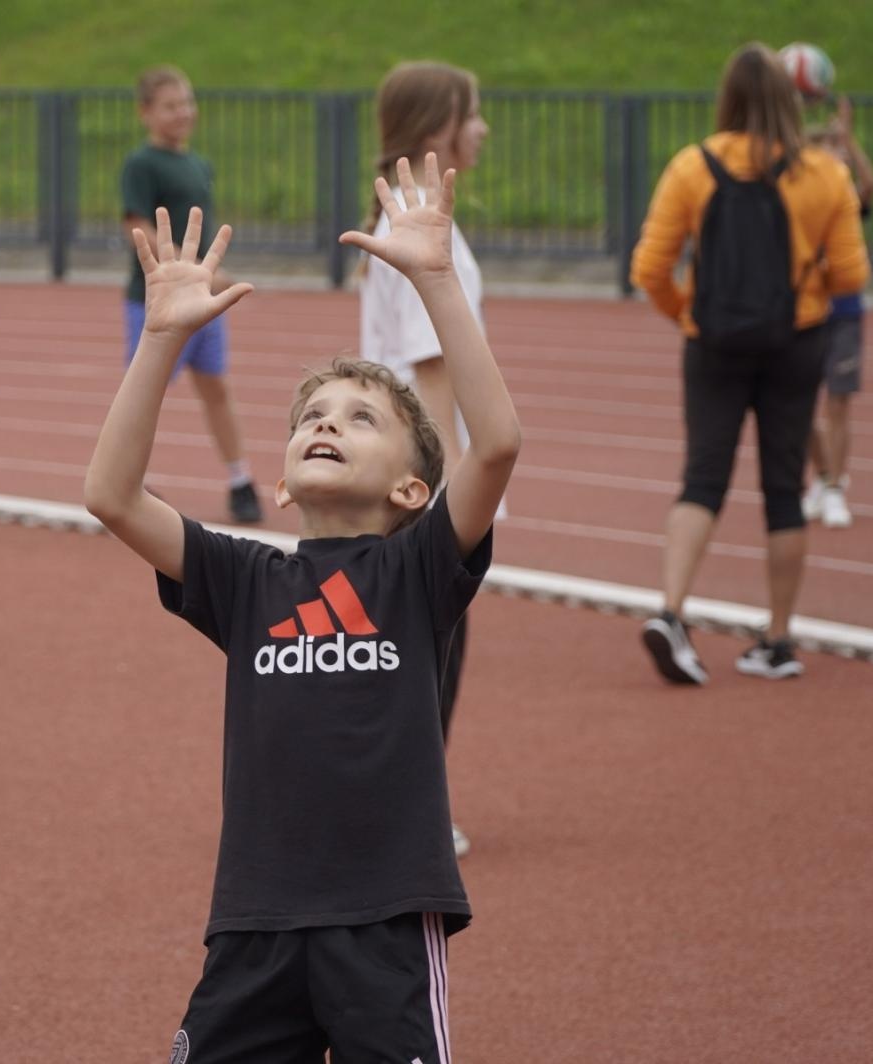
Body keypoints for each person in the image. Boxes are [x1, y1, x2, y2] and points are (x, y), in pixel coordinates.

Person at [85, 153, 518, 1061]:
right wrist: (160, 339)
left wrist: (436, 280)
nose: (327, 423)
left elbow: (496, 446)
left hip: (386, 925)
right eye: (313, 416)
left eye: (362, 418)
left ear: (411, 488)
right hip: (253, 925)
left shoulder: (418, 572)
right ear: (280, 483)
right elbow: (113, 496)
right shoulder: (246, 582)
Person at [631, 43, 867, 684]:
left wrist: (690, 310)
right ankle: (779, 638)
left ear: (726, 96)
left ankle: (673, 614)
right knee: (785, 490)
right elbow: (852, 273)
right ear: (793, 100)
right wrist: (802, 286)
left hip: (713, 342)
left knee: (703, 477)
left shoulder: (693, 168)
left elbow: (648, 269)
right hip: (796, 340)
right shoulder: (824, 174)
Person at [359, 59, 491, 859]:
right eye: (472, 115)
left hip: (412, 471)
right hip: (422, 478)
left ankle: (403, 807)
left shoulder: (413, 214)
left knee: (426, 647)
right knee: (425, 650)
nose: (482, 130)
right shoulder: (412, 217)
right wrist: (442, 501)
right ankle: (406, 817)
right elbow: (431, 365)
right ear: (439, 125)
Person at [121, 65, 261, 524]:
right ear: (146, 113)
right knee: (145, 391)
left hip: (203, 303)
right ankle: (125, 477)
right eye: (170, 105)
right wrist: (175, 271)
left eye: (187, 102)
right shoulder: (142, 164)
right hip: (156, 303)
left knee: (216, 387)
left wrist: (205, 276)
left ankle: (240, 480)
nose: (183, 112)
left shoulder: (200, 164)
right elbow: (136, 223)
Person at [800, 96, 873, 529]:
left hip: (844, 311)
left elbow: (871, 186)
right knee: (802, 406)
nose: (836, 152)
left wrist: (850, 140)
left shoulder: (845, 195)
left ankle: (833, 488)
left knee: (839, 402)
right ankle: (824, 475)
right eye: (828, 145)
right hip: (804, 310)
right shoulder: (801, 193)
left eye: (839, 146)